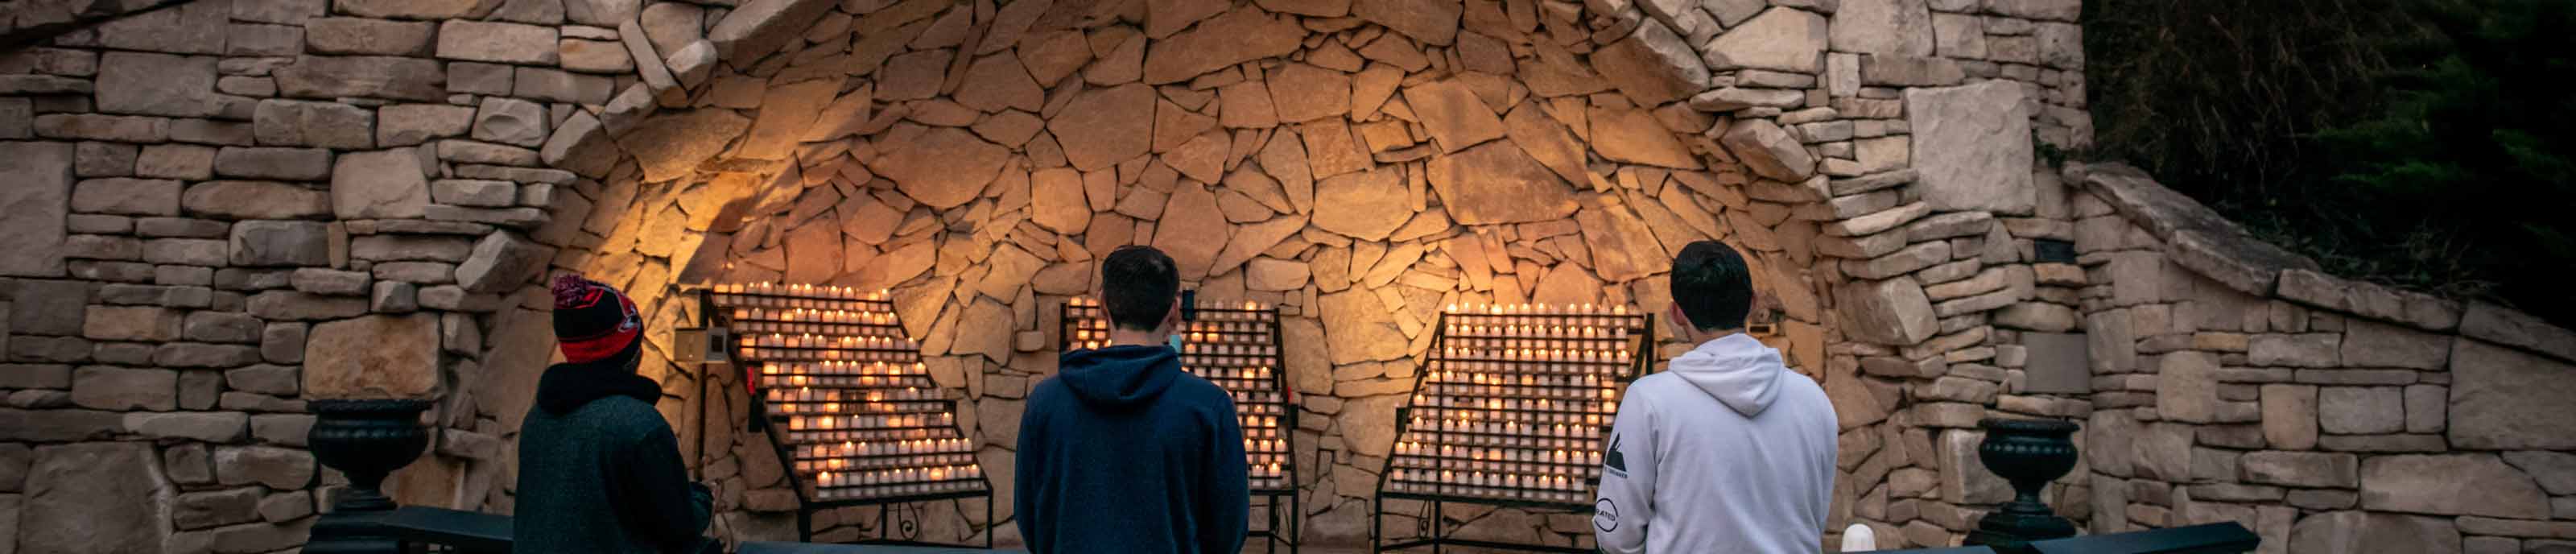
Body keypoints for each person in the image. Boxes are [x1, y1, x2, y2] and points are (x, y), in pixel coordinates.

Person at [1592, 241, 1838, 554]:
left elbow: (1616, 532)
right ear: (1752, 302)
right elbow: (1814, 516)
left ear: (1677, 313)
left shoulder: (1650, 401)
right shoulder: (1813, 400)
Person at [1016, 246, 1249, 554]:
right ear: (1174, 313)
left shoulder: (1046, 402)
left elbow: (1030, 515)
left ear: (1102, 305)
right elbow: (1228, 529)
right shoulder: (1208, 407)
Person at [515, 274, 713, 554]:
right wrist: (702, 498)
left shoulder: (538, 417)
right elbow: (678, 527)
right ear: (630, 351)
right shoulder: (639, 426)